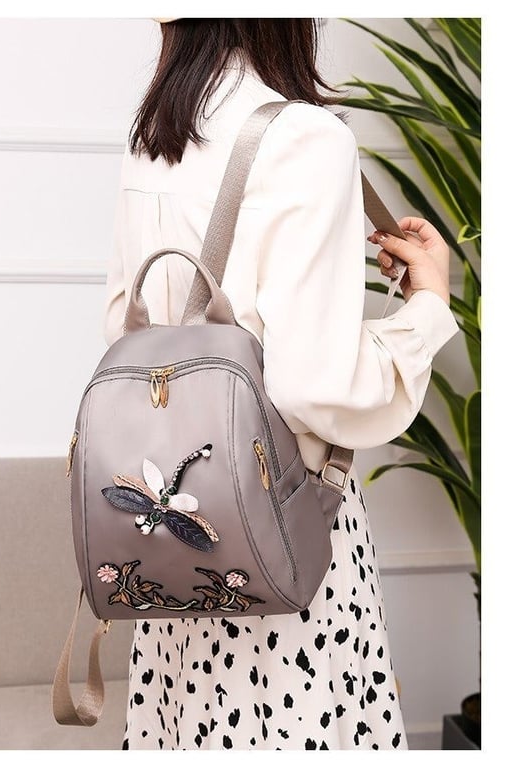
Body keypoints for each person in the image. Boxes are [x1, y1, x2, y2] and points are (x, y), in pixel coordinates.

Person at [102, 18, 459, 751]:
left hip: (174, 557)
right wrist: (426, 308)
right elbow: (316, 388)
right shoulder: (307, 140)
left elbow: (122, 333)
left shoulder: (153, 138)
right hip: (283, 541)